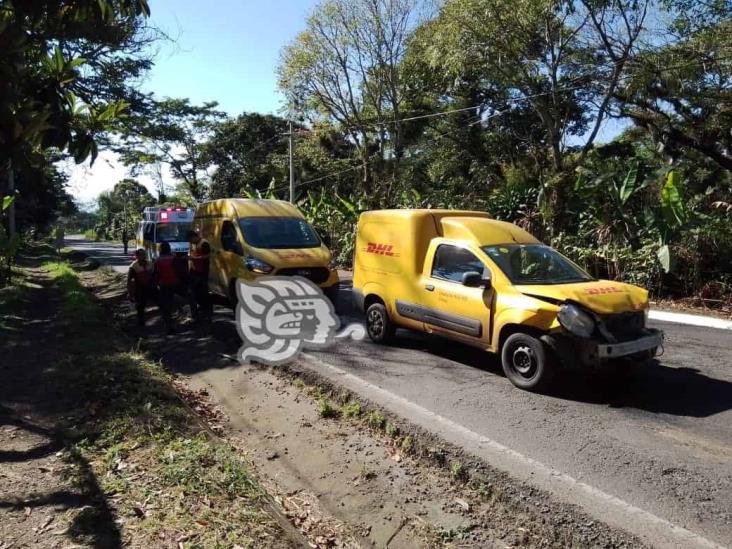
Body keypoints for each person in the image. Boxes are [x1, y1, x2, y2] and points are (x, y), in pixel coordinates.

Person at [154, 242, 180, 334]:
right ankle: (172, 324)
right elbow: (178, 271)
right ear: (169, 249)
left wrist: (156, 283)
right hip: (173, 283)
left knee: (165, 305)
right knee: (172, 302)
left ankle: (167, 325)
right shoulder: (173, 258)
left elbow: (156, 274)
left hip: (163, 284)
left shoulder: (158, 260)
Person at [187, 229, 212, 322]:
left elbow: (208, 255)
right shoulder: (195, 244)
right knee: (197, 292)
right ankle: (202, 309)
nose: (190, 242)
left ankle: (208, 311)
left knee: (204, 292)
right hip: (195, 271)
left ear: (194, 237)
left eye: (190, 240)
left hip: (203, 271)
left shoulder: (204, 243)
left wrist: (195, 258)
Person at [127, 248, 155, 327]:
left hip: (150, 287)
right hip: (139, 288)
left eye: (144, 254)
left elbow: (154, 274)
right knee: (140, 305)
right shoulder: (133, 266)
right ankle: (141, 321)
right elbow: (129, 280)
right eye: (142, 254)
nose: (144, 256)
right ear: (137, 256)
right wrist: (130, 292)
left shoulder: (150, 263)